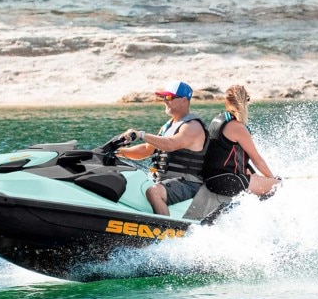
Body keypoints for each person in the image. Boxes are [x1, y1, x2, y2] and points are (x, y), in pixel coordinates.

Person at [115, 81, 208, 215]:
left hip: (188, 183)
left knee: (154, 192)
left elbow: (170, 144)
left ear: (183, 100)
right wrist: (119, 152)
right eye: (163, 97)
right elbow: (147, 150)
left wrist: (141, 134)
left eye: (169, 97)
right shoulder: (169, 125)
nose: (164, 101)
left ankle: (166, 232)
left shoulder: (192, 127)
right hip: (164, 180)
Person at [200, 85, 281, 198]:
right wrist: (273, 179)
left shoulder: (219, 119)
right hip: (226, 181)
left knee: (259, 179)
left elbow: (231, 156)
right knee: (278, 186)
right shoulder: (237, 127)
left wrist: (260, 177)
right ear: (245, 101)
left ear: (227, 102)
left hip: (212, 178)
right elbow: (257, 159)